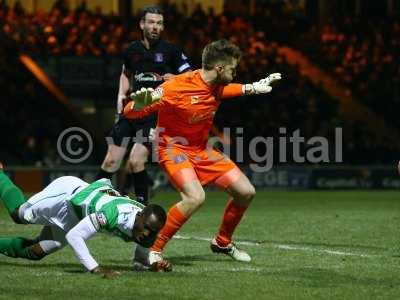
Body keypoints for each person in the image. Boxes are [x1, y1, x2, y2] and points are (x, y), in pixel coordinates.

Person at [123, 39, 282, 268]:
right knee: (195, 198)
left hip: (201, 149)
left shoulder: (215, 85)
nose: (235, 72)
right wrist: (136, 106)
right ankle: (153, 249)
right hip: (173, 148)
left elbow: (224, 91)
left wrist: (253, 87)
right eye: (232, 69)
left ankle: (222, 242)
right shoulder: (176, 87)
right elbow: (130, 113)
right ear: (219, 69)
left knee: (246, 192)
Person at [0, 162, 171, 277]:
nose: (147, 233)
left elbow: (139, 260)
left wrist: (152, 266)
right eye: (146, 227)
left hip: (77, 215)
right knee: (19, 215)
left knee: (35, 252)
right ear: (139, 216)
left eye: (152, 231)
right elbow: (74, 237)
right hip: (66, 197)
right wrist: (95, 268)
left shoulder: (149, 231)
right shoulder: (114, 214)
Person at [96, 5, 191, 205]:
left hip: (154, 116)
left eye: (159, 23)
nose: (155, 27)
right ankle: (91, 200)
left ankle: (141, 206)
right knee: (111, 161)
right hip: (131, 111)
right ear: (142, 24)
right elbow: (125, 73)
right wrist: (121, 96)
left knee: (136, 160)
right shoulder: (132, 51)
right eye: (151, 22)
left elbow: (191, 77)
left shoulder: (171, 51)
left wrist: (175, 77)